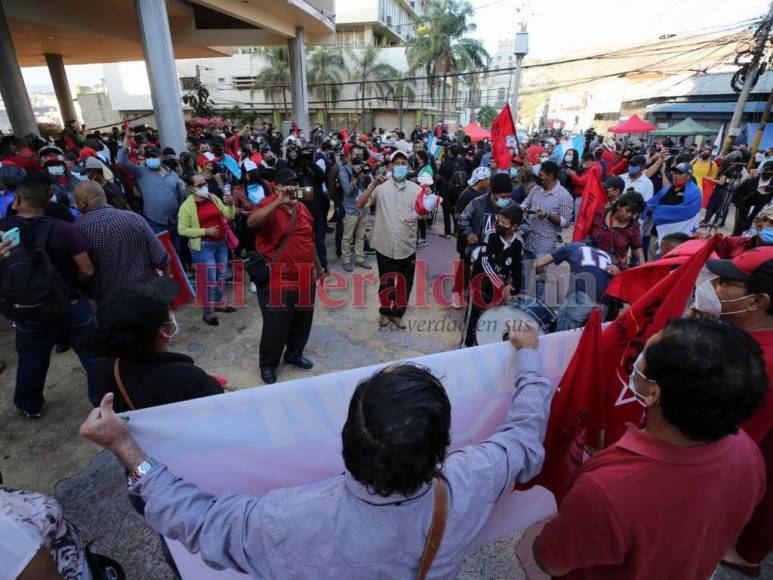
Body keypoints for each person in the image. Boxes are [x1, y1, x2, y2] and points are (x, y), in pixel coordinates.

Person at [79, 323, 554, 579]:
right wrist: (529, 355)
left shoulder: (288, 519)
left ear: (345, 442)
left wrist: (124, 446)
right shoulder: (473, 478)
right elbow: (523, 437)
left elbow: (200, 521)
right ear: (443, 448)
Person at [533, 317, 767, 580]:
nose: (636, 357)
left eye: (644, 353)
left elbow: (549, 560)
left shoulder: (604, 492)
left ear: (654, 393)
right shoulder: (747, 452)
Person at [692, 247, 773, 575]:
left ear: (757, 302)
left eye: (726, 282)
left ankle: (744, 554)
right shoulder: (747, 342)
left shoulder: (757, 367)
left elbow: (719, 448)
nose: (713, 286)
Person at [0, 181, 98, 417]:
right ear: (47, 203)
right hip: (70, 303)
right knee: (93, 355)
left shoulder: (3, 230)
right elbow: (87, 270)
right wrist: (75, 288)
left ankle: (29, 405)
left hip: (26, 309)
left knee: (31, 360)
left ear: (17, 202)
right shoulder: (65, 229)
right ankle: (103, 399)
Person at [86, 277, 224, 412]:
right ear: (163, 331)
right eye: (169, 310)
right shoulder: (190, 380)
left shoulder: (102, 367)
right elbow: (219, 414)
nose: (171, 314)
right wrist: (211, 384)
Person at [248, 168, 324, 384]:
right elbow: (251, 222)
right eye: (287, 185)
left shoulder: (303, 208)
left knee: (302, 320)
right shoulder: (269, 205)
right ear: (277, 187)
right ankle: (268, 365)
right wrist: (278, 202)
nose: (292, 189)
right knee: (275, 325)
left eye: (295, 184)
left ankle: (294, 355)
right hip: (278, 279)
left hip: (305, 276)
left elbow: (309, 239)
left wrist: (318, 267)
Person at [74, 181, 170, 300]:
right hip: (144, 294)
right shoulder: (134, 218)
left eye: (76, 201)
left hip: (109, 301)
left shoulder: (77, 228)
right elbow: (161, 258)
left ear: (83, 202)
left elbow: (85, 271)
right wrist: (167, 293)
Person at [357, 150, 420, 329]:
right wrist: (373, 184)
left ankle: (398, 314)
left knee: (405, 284)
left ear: (407, 167)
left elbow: (424, 214)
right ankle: (385, 312)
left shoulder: (416, 189)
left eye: (403, 163)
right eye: (396, 162)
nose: (400, 166)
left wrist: (428, 199)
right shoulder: (380, 188)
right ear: (390, 166)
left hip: (407, 245)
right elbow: (360, 204)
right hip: (384, 245)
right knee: (386, 282)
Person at [178, 174, 237, 326]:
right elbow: (182, 230)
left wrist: (230, 205)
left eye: (204, 183)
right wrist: (206, 231)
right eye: (199, 185)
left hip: (220, 243)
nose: (204, 186)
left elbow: (228, 215)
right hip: (203, 247)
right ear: (191, 188)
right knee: (208, 279)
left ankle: (218, 302)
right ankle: (208, 312)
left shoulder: (213, 197)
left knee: (221, 275)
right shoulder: (187, 206)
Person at [463, 204, 524, 346]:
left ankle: (481, 347)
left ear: (513, 227)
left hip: (498, 291)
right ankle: (465, 347)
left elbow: (517, 268)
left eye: (504, 223)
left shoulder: (518, 243)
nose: (499, 224)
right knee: (473, 318)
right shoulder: (490, 235)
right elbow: (485, 262)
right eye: (499, 220)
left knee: (490, 320)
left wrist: (514, 289)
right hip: (480, 285)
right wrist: (501, 285)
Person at [117, 129, 186, 252]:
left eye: (153, 156)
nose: (151, 159)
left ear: (161, 157)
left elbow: (180, 197)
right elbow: (122, 160)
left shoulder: (172, 174)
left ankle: (179, 271)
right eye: (148, 157)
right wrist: (127, 139)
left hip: (174, 221)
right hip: (154, 222)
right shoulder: (141, 172)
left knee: (176, 253)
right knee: (161, 253)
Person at [535, 242, 617, 330]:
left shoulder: (572, 247)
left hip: (584, 294)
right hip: (608, 298)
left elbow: (538, 263)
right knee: (593, 337)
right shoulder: (605, 255)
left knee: (563, 335)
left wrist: (540, 273)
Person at [521, 161, 574, 296]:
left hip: (544, 244)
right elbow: (525, 204)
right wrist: (522, 210)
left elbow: (566, 222)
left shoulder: (564, 195)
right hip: (527, 240)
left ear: (550, 176)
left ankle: (538, 303)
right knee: (524, 273)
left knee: (540, 276)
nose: (538, 177)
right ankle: (522, 299)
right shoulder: (536, 189)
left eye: (541, 175)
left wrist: (549, 215)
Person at [645, 161, 702, 260]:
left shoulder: (694, 193)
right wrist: (648, 207)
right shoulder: (668, 188)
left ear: (688, 176)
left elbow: (685, 212)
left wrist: (659, 211)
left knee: (666, 261)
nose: (676, 175)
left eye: (680, 173)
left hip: (674, 236)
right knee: (651, 256)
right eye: (675, 172)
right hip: (657, 230)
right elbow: (655, 201)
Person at [589, 191, 645, 269]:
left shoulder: (633, 226)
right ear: (619, 205)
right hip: (593, 263)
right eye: (627, 210)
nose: (629, 215)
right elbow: (587, 234)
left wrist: (642, 267)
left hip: (615, 269)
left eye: (633, 213)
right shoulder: (601, 214)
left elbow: (637, 247)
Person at [339, 144, 373, 271]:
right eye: (356, 155)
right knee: (347, 237)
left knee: (360, 235)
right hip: (351, 209)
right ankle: (346, 260)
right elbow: (347, 190)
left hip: (364, 208)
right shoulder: (344, 170)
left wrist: (366, 174)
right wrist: (357, 177)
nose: (359, 158)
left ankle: (360, 258)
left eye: (361, 155)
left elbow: (370, 185)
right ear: (350, 156)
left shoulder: (365, 167)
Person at [732, 160, 773, 236]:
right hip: (744, 212)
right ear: (763, 169)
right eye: (767, 169)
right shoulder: (750, 181)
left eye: (771, 170)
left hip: (761, 217)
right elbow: (736, 195)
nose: (769, 172)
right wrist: (741, 204)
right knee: (737, 235)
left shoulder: (771, 186)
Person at [436, 144, 468, 237]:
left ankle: (447, 232)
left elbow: (438, 177)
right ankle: (457, 231)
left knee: (446, 211)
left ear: (449, 151)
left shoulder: (445, 163)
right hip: (458, 189)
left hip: (447, 189)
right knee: (455, 209)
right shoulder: (461, 161)